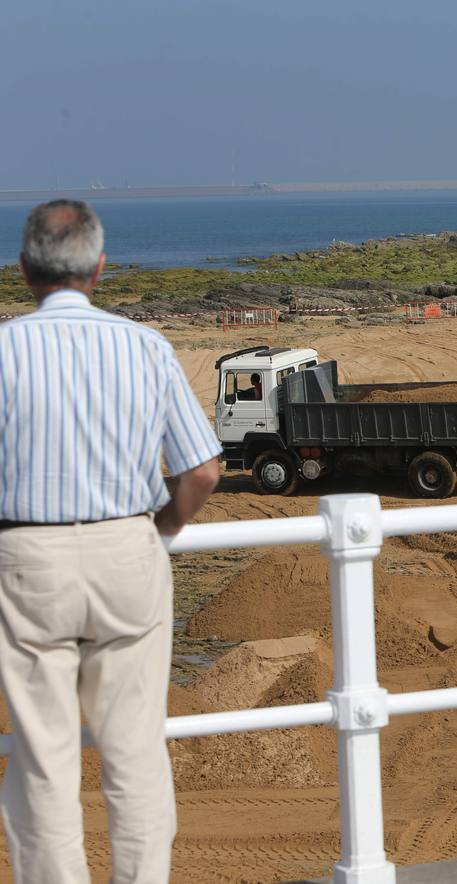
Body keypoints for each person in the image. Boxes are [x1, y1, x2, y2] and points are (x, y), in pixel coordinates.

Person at [0, 201, 222, 880]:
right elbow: (204, 469)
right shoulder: (145, 345)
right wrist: (165, 526)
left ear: (25, 269)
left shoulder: (3, 349)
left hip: (28, 558)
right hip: (128, 551)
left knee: (43, 759)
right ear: (100, 268)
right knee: (135, 755)